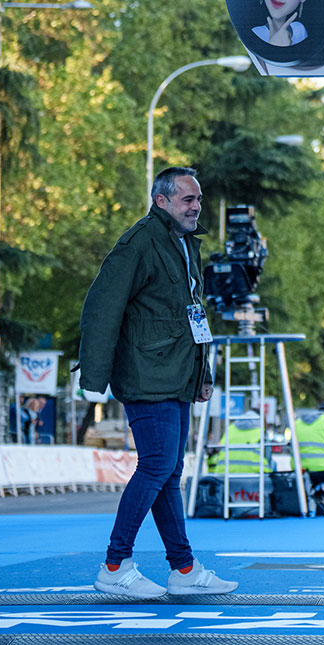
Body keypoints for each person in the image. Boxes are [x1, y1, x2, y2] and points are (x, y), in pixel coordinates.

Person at [78, 167, 237, 599]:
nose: (196, 206)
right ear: (161, 200)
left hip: (176, 375)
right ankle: (115, 564)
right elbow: (101, 307)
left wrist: (202, 375)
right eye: (187, 199)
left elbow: (191, 315)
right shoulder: (139, 243)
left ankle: (183, 569)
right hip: (147, 376)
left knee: (169, 472)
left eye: (198, 199)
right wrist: (94, 377)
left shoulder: (184, 244)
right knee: (156, 467)